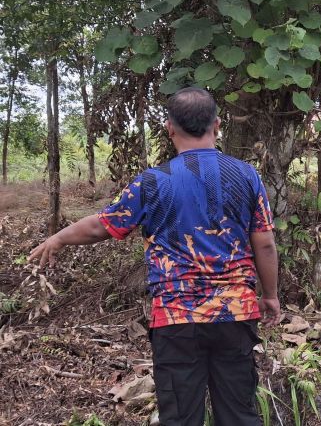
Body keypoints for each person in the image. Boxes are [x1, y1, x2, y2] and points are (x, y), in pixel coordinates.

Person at [29, 87, 282, 426]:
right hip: (235, 314)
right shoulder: (246, 175)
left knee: (179, 417)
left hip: (176, 319)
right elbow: (264, 243)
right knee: (239, 415)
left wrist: (58, 238)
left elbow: (103, 226)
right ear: (217, 125)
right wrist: (271, 296)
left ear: (169, 128)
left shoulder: (153, 182)